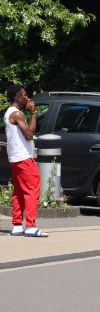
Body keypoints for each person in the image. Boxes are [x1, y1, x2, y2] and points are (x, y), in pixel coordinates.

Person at [5, 85, 46, 237]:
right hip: (23, 157)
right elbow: (29, 134)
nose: (27, 98)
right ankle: (30, 226)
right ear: (16, 97)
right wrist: (34, 112)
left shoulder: (9, 113)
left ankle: (17, 225)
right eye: (23, 95)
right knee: (32, 189)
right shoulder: (17, 114)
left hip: (15, 158)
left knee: (19, 191)